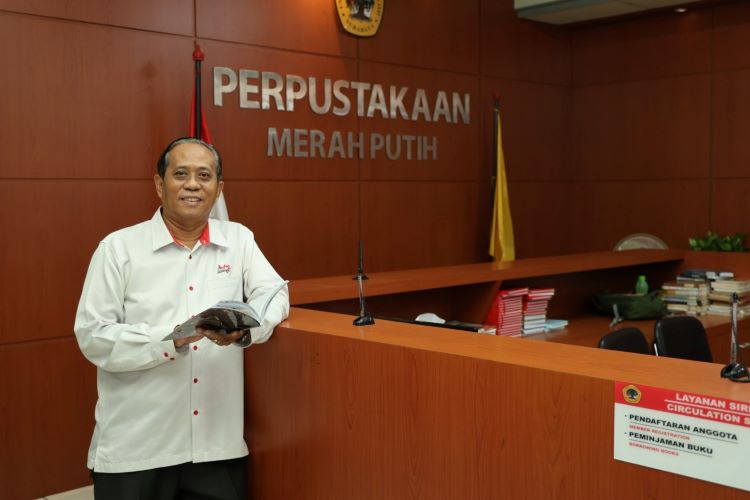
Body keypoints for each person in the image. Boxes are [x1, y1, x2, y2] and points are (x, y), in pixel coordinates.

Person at [74, 137, 289, 499]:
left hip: (216, 448)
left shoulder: (239, 239)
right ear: (160, 184)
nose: (193, 184)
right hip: (137, 448)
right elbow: (93, 335)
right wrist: (170, 339)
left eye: (204, 176)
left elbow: (275, 293)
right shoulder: (118, 248)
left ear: (218, 189)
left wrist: (247, 330)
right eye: (181, 174)